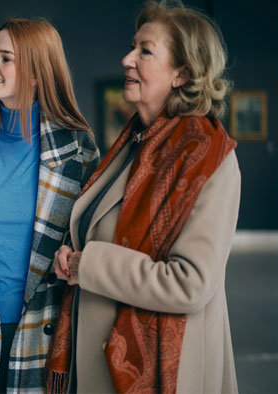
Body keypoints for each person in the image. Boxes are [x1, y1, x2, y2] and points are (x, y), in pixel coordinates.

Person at [47, 1, 240, 393]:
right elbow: (101, 229)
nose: (127, 59)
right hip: (98, 364)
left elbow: (190, 283)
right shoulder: (134, 141)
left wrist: (89, 265)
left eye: (144, 51)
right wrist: (70, 255)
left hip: (161, 372)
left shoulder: (207, 157)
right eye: (132, 47)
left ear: (182, 72)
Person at [0, 18, 100, 393]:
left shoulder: (78, 149)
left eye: (5, 58)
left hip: (45, 321)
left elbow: (91, 236)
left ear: (38, 72)